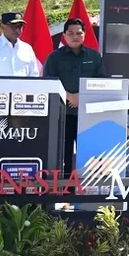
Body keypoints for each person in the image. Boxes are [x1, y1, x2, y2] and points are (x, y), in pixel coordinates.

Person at [43, 18, 105, 176]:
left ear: (84, 35)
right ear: (64, 35)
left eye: (79, 33)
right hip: (62, 115)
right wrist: (68, 96)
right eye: (70, 33)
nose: (75, 36)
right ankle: (65, 192)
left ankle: (85, 192)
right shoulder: (54, 58)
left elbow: (102, 83)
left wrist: (82, 96)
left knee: (90, 154)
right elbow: (48, 82)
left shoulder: (94, 56)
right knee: (64, 154)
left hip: (88, 115)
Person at [0, 12, 39, 77]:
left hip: (23, 87)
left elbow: (34, 76)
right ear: (2, 27)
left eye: (20, 26)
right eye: (13, 26)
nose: (17, 30)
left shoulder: (27, 49)